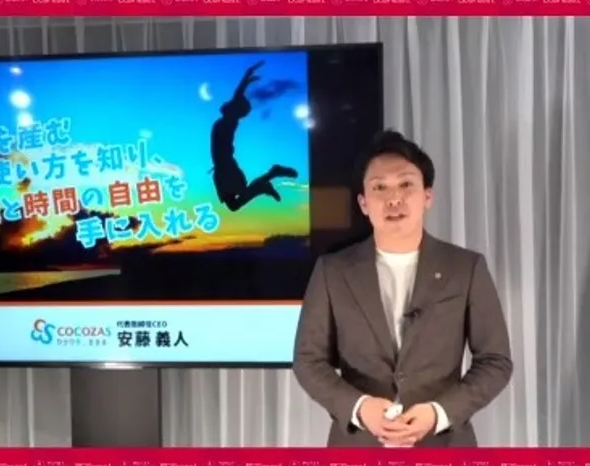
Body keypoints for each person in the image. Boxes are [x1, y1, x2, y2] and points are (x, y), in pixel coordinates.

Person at [292, 130, 513, 447]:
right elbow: (308, 360)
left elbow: (495, 360)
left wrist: (439, 413)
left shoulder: (466, 268)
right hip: (359, 446)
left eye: (406, 184)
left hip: (444, 445)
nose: (393, 198)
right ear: (363, 203)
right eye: (379, 187)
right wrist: (360, 408)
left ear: (427, 196)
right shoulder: (332, 271)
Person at [210, 61, 298, 212]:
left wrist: (245, 79)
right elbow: (236, 97)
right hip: (221, 167)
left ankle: (270, 177)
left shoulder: (228, 121)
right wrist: (245, 79)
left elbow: (237, 96)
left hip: (225, 166)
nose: (227, 104)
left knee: (235, 203)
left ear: (234, 109)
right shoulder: (226, 121)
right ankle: (269, 178)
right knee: (234, 204)